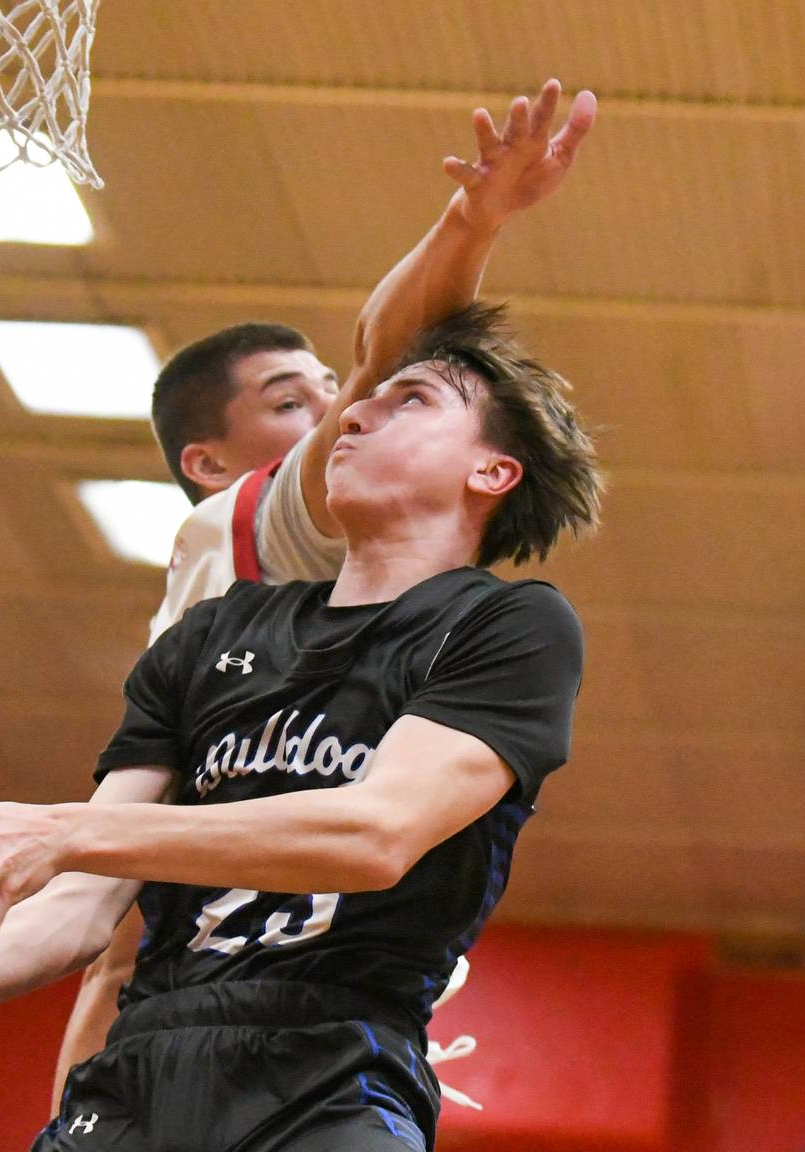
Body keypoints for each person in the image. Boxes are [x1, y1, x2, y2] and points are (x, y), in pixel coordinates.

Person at [0, 300, 603, 1151]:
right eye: (361, 398)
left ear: (492, 471)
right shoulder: (214, 635)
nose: (355, 413)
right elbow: (83, 902)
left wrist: (62, 829)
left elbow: (373, 834)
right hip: (141, 1069)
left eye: (407, 400)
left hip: (331, 1067)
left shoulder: (509, 628)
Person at [54, 78, 596, 1102]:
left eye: (329, 389)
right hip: (208, 928)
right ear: (211, 462)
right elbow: (389, 353)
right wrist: (470, 223)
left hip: (293, 965)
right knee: (124, 946)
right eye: (291, 400)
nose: (336, 410)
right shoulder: (252, 517)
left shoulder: (469, 607)